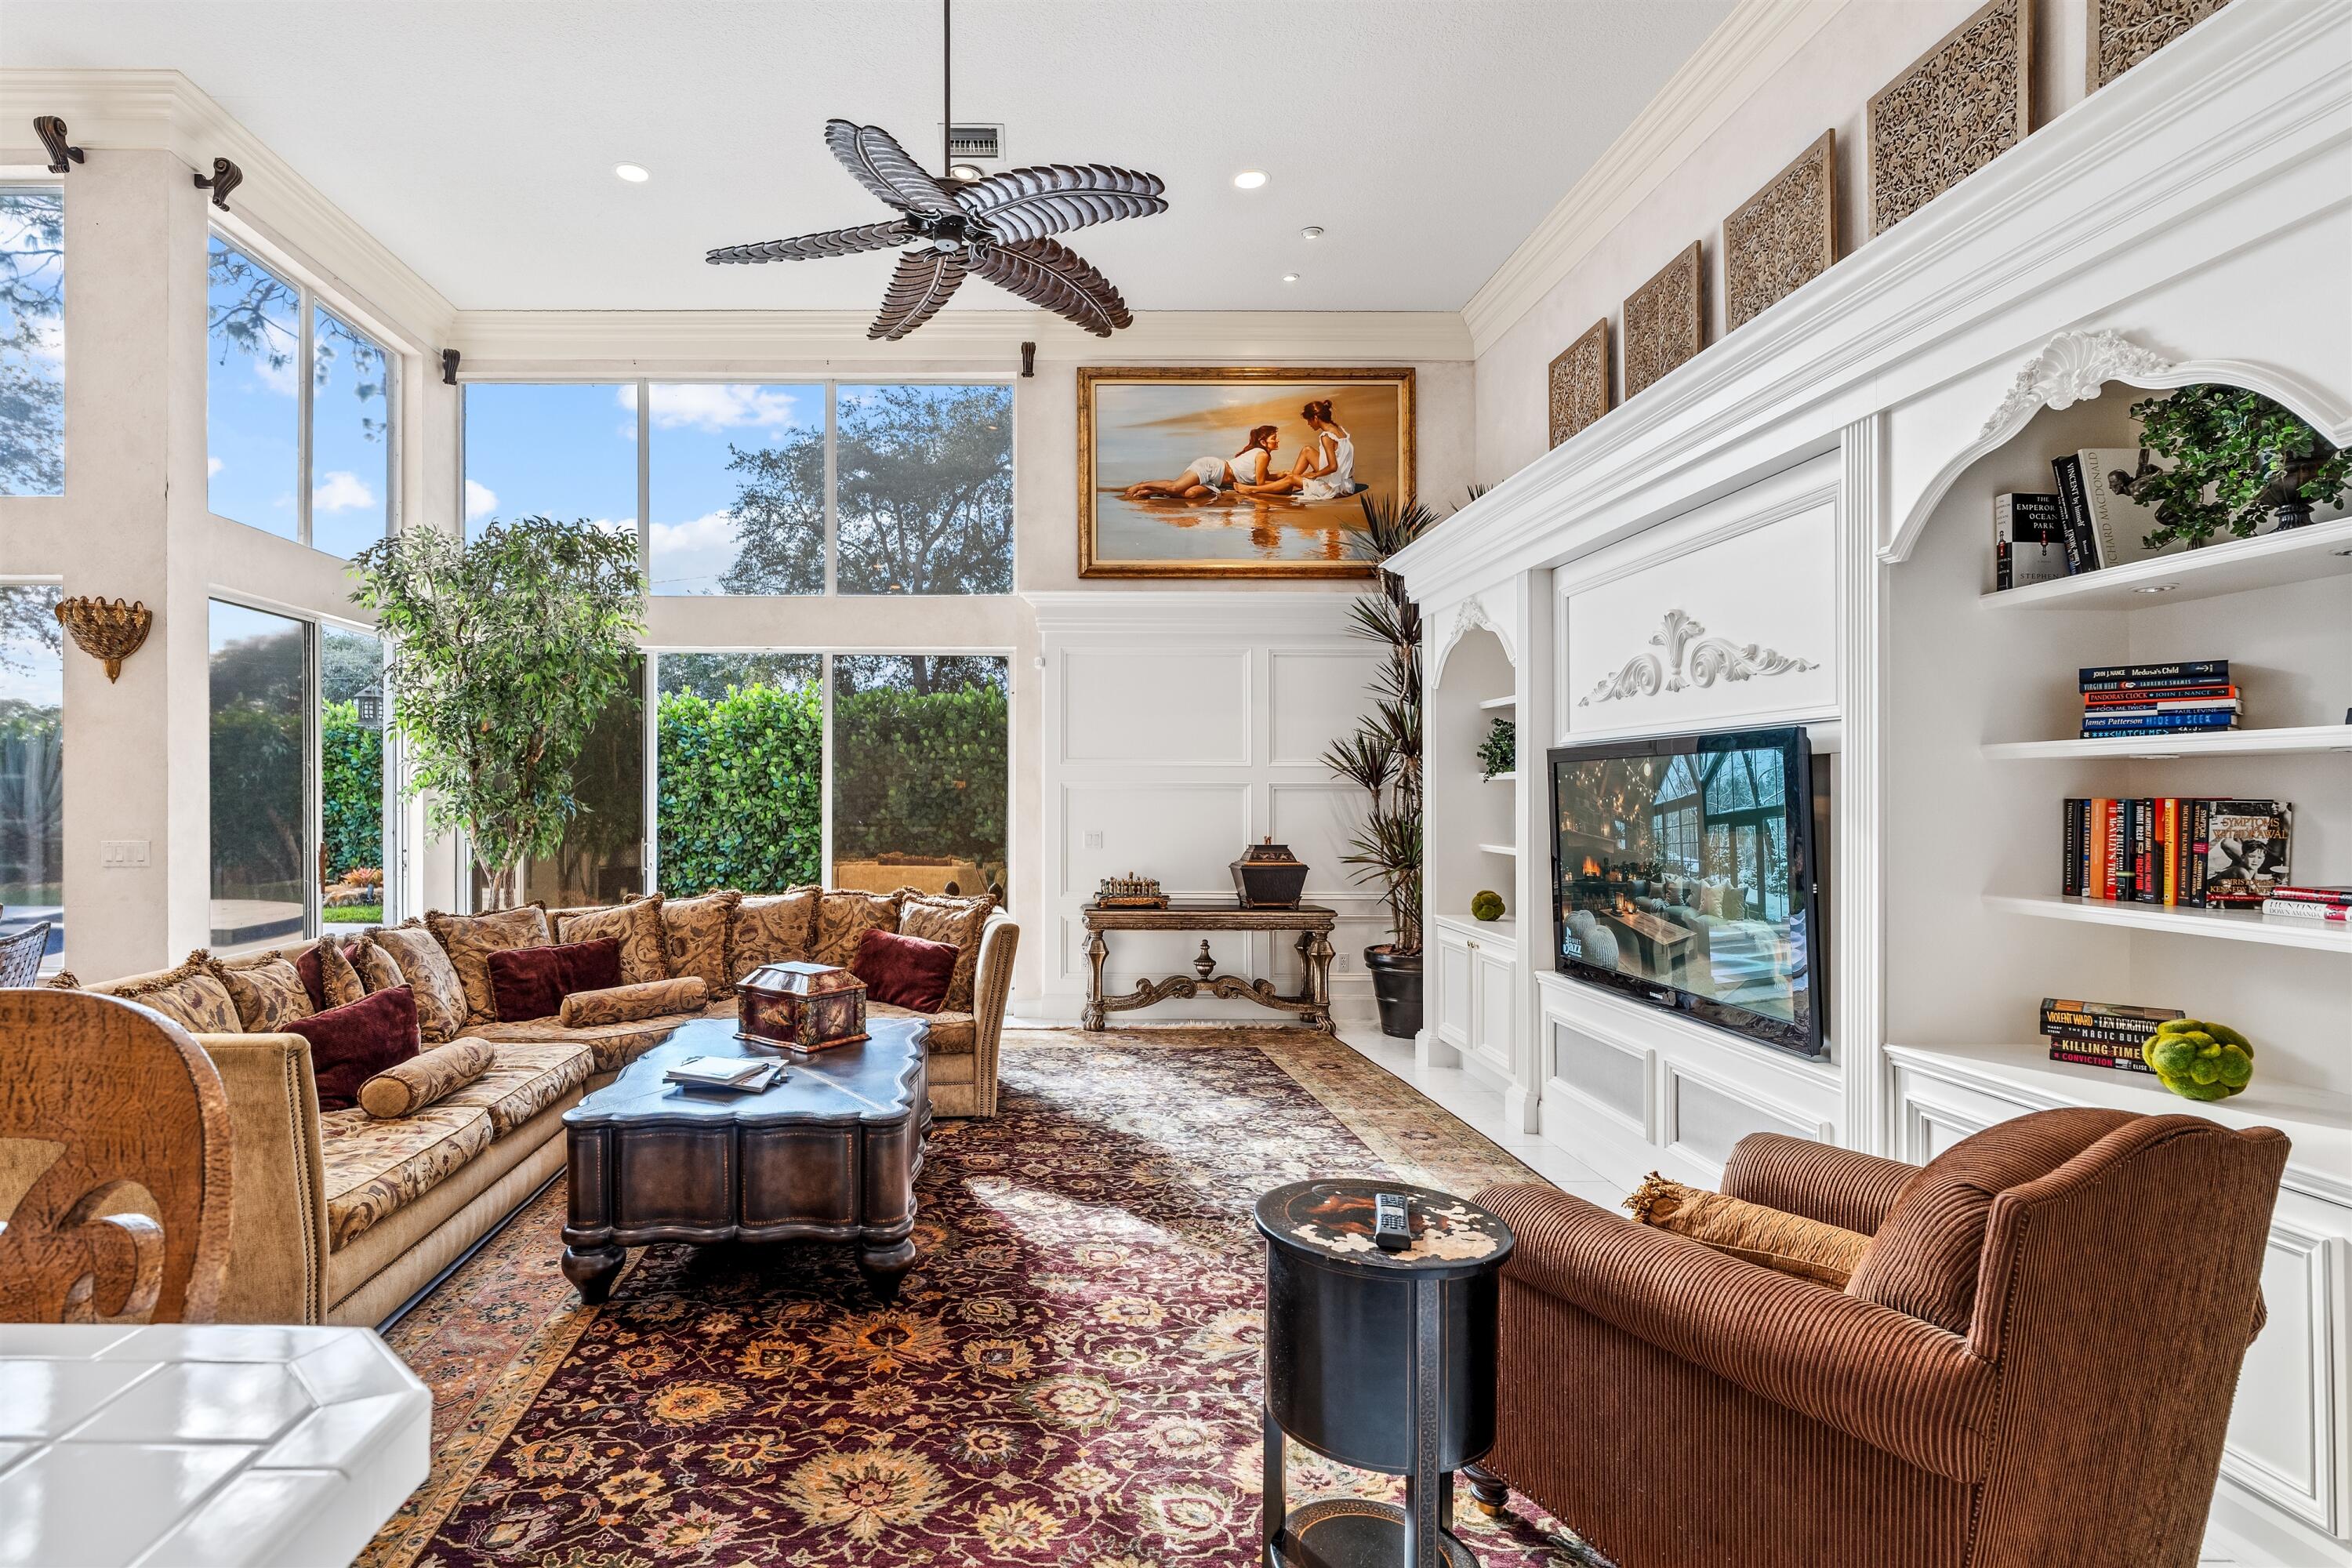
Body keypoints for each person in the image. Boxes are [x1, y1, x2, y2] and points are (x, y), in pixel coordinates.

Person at [1235, 399, 1357, 501]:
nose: (1309, 424)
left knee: (1291, 479)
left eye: (1309, 421)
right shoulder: (1338, 430)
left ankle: (1252, 489)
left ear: (1315, 418)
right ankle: (1286, 486)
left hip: (1336, 488)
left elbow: (1333, 467)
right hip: (1347, 484)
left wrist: (1315, 474)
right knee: (1307, 450)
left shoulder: (1326, 436)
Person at [1122, 425, 1280, 500]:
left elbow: (1261, 478)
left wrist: (1282, 475)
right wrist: (1284, 481)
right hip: (1212, 468)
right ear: (1263, 441)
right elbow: (1260, 483)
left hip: (1217, 483)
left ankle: (1152, 491)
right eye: (1274, 438)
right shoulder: (1262, 455)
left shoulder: (1261, 455)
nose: (1277, 440)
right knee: (1176, 487)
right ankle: (1143, 485)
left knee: (1190, 494)